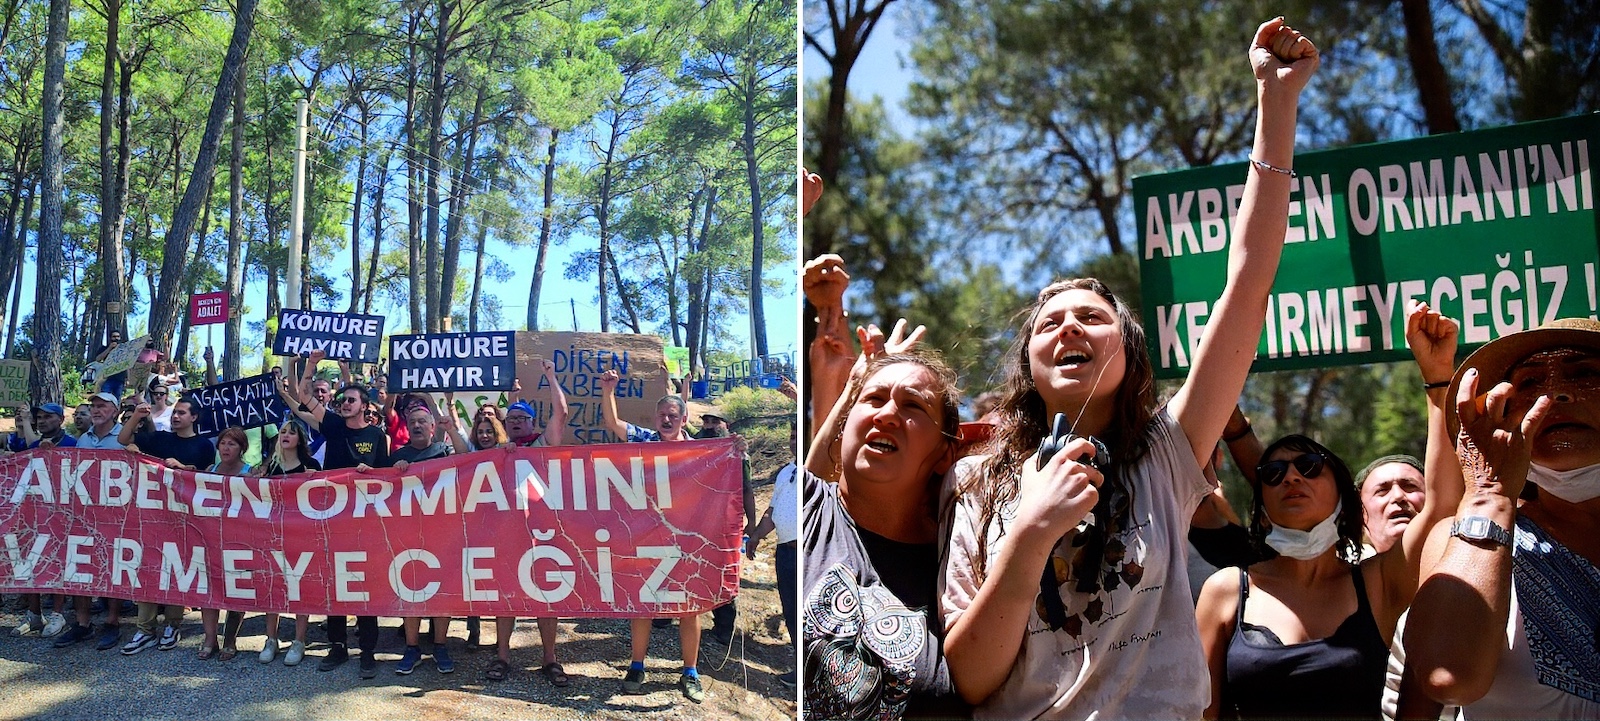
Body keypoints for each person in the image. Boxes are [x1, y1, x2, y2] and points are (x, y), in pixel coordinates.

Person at [938, 20, 1318, 719]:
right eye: (1049, 323)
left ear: (1130, 350)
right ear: (1028, 362)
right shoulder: (977, 482)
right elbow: (970, 678)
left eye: (1093, 317)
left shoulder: (1170, 454)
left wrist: (1277, 102)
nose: (1070, 327)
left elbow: (1249, 279)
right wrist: (1029, 533)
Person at [1405, 316, 1600, 718]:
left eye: (1583, 374)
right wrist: (1488, 493)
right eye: (1530, 384)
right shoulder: (1455, 540)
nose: (1557, 394)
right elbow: (1447, 676)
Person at [803, 334, 962, 719]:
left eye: (913, 405)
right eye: (873, 399)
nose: (886, 414)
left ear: (945, 453)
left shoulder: (965, 560)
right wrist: (852, 384)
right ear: (843, 429)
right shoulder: (809, 508)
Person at [599, 369, 713, 703]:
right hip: (645, 537)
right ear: (654, 417)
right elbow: (613, 425)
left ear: (683, 418)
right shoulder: (644, 441)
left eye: (673, 415)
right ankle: (636, 665)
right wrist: (608, 391)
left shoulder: (701, 451)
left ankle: (690, 672)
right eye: (662, 414)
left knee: (689, 607)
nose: (666, 419)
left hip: (686, 541)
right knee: (642, 604)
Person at [280, 352, 391, 679]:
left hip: (364, 522)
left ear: (365, 405)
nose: (343, 403)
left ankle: (368, 651)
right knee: (335, 582)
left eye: (350, 400)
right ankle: (338, 645)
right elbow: (303, 397)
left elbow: (386, 479)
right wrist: (311, 365)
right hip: (332, 520)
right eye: (341, 399)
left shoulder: (376, 437)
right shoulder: (331, 425)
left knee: (364, 583)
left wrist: (372, 472)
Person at [482, 362, 571, 687]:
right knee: (507, 592)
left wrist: (549, 376)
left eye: (523, 418)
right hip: (505, 532)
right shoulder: (495, 450)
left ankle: (550, 659)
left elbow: (561, 412)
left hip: (541, 531)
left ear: (532, 422)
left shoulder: (543, 444)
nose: (518, 423)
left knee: (545, 594)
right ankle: (502, 655)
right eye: (513, 418)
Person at [116, 395, 215, 655]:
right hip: (153, 516)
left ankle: (173, 624)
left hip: (184, 519)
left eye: (182, 413)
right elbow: (123, 440)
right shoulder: (160, 439)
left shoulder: (204, 445)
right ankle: (145, 629)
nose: (176, 416)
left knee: (175, 569)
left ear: (194, 417)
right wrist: (137, 415)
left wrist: (183, 468)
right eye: (174, 413)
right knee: (149, 567)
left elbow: (207, 480)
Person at [389, 400, 460, 676]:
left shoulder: (446, 452)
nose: (416, 425)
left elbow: (470, 463)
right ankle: (412, 647)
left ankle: (440, 645)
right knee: (411, 588)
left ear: (432, 427)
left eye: (422, 422)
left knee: (442, 591)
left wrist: (450, 425)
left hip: (443, 532)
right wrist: (397, 472)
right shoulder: (397, 456)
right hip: (408, 534)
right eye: (412, 422)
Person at [255, 420, 321, 666]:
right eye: (282, 432)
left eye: (291, 433)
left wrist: (315, 479)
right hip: (272, 533)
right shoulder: (268, 466)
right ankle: (270, 638)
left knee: (299, 585)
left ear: (300, 440)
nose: (285, 436)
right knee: (273, 585)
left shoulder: (311, 465)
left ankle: (299, 639)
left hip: (301, 535)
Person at [697, 409, 757, 647]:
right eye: (706, 421)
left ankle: (723, 627)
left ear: (727, 424)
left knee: (722, 571)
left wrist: (751, 522)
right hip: (691, 521)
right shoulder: (692, 446)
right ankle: (668, 616)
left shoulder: (738, 454)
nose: (709, 425)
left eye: (715, 421)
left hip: (723, 522)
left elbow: (747, 488)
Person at [745, 431, 798, 689]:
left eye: (801, 435)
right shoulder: (786, 472)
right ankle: (799, 670)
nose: (795, 441)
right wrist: (756, 536)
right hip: (785, 553)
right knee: (791, 610)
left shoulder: (820, 469)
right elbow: (773, 510)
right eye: (792, 436)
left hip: (807, 554)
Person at [197, 427, 251, 660]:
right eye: (223, 443)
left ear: (241, 449)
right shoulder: (210, 471)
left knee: (236, 588)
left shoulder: (250, 474)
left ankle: (230, 639)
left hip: (239, 540)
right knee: (209, 588)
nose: (226, 448)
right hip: (211, 537)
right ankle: (210, 638)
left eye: (232, 444)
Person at [8, 403, 79, 451]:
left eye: (47, 417)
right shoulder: (34, 447)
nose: (41, 421)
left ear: (61, 419)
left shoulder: (73, 445)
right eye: (39, 417)